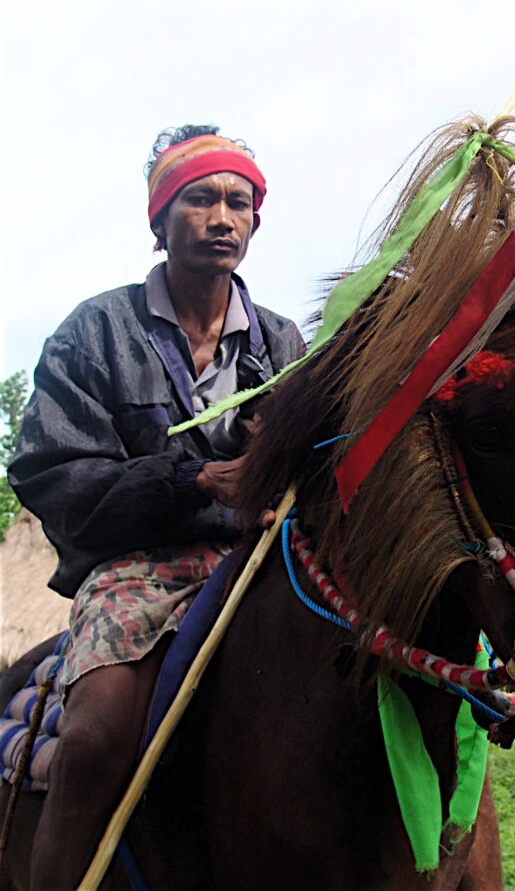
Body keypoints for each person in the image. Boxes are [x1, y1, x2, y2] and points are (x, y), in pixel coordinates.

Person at [8, 125, 305, 889]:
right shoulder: (93, 333)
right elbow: (53, 472)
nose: (221, 217)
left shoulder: (283, 344)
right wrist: (194, 482)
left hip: (259, 564)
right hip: (138, 568)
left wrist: (292, 453)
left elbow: (324, 463)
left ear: (255, 224)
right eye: (199, 199)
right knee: (99, 734)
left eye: (239, 202)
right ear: (159, 219)